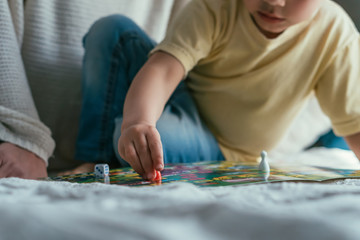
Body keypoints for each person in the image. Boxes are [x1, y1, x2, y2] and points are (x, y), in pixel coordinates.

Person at [75, 0, 360, 181]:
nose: (273, 2)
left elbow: (355, 125)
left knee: (144, 141)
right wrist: (137, 122)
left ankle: (121, 148)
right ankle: (94, 160)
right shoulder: (216, 6)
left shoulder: (335, 34)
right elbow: (164, 69)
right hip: (185, 99)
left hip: (223, 149)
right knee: (111, 30)